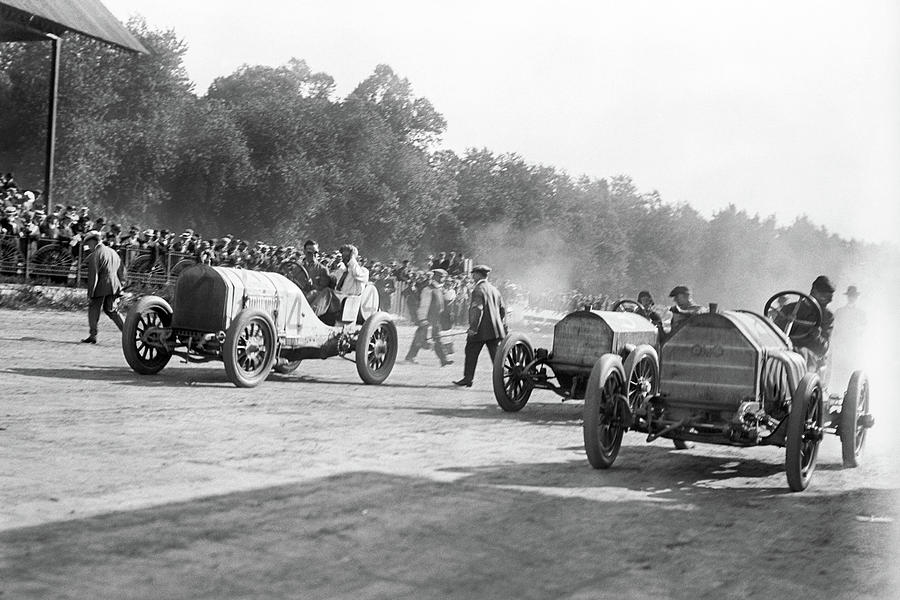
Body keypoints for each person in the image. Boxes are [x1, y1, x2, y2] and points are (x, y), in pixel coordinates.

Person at [454, 264, 506, 387]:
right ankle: (503, 379)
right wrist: (499, 324)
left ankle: (468, 378)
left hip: (480, 331)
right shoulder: (495, 289)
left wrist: (473, 328)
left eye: (474, 274)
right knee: (497, 358)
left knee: (471, 352)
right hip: (495, 331)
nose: (472, 276)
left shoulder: (478, 289)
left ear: (477, 275)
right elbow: (502, 310)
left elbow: (477, 309)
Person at [776, 275, 836, 372]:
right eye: (824, 296)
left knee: (801, 354)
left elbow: (823, 349)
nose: (828, 301)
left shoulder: (827, 316)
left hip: (809, 356)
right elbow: (774, 331)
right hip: (784, 348)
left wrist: (817, 336)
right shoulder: (789, 308)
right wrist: (786, 321)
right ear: (813, 291)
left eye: (828, 298)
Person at [81, 230, 125, 344]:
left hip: (101, 285)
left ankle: (93, 335)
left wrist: (90, 293)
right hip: (115, 284)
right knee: (111, 310)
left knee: (94, 308)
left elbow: (93, 277)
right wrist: (121, 284)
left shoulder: (95, 255)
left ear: (94, 242)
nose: (88, 246)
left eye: (88, 243)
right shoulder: (113, 252)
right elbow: (121, 271)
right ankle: (127, 332)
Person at [405, 269, 453, 366]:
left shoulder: (439, 288)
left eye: (443, 277)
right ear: (436, 277)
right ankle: (411, 357)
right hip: (427, 319)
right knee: (420, 338)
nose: (443, 279)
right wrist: (423, 319)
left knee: (435, 338)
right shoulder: (428, 289)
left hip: (435, 320)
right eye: (441, 277)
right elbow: (424, 305)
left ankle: (443, 360)